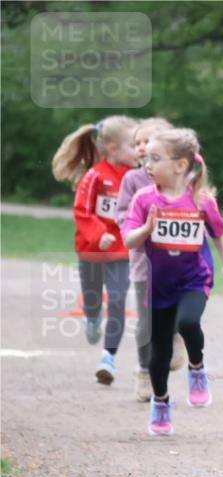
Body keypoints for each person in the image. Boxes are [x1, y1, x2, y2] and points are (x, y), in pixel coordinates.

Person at [123, 129, 223, 436]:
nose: (147, 164)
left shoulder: (200, 199)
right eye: (146, 157)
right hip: (157, 285)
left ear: (180, 165)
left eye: (155, 158)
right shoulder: (144, 198)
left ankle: (197, 367)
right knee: (159, 355)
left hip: (194, 279)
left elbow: (218, 231)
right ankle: (161, 402)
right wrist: (147, 229)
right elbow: (129, 239)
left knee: (189, 322)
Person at [52, 116, 138, 384]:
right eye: (134, 145)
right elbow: (82, 210)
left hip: (122, 251)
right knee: (92, 297)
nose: (140, 150)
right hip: (91, 249)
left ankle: (108, 358)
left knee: (117, 300)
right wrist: (99, 234)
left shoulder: (136, 178)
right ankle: (92, 316)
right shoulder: (95, 175)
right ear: (113, 149)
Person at [115, 117, 188, 402]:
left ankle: (175, 333)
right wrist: (140, 227)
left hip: (180, 263)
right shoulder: (132, 180)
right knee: (146, 322)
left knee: (183, 305)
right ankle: (144, 372)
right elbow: (122, 217)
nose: (142, 147)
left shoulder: (185, 180)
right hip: (145, 263)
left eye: (148, 141)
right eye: (137, 143)